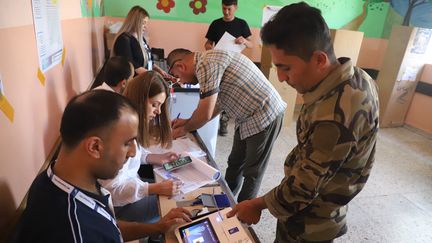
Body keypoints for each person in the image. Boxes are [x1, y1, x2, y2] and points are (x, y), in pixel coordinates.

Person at [227, 2, 380, 242]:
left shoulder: (334, 115)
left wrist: (258, 204)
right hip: (320, 208)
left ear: (319, 60)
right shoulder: (357, 77)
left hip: (310, 223)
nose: (280, 77)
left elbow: (302, 189)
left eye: (285, 67)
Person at [15, 90, 191, 242]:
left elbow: (107, 225)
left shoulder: (56, 177)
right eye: (127, 143)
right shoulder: (74, 231)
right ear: (95, 147)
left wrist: (157, 228)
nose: (132, 153)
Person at [167, 48, 286, 202]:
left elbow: (205, 113)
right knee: (235, 162)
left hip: (265, 114)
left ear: (180, 66)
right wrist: (187, 122)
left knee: (252, 172)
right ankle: (226, 202)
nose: (181, 82)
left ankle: (243, 217)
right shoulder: (207, 62)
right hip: (247, 117)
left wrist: (183, 129)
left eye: (178, 77)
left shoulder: (206, 63)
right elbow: (217, 104)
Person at [100, 71, 182, 224]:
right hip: (118, 205)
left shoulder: (129, 120)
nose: (158, 112)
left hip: (131, 187)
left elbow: (135, 151)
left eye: (160, 106)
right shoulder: (119, 129)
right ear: (140, 99)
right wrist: (152, 189)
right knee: (174, 203)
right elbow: (113, 190)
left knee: (173, 192)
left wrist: (154, 157)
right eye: (155, 105)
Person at [204, 0, 253, 136]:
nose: (226, 12)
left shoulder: (242, 23)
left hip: (235, 64)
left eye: (229, 9)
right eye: (224, 8)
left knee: (230, 92)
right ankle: (213, 119)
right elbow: (207, 43)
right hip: (218, 63)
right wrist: (209, 48)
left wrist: (244, 41)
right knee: (217, 91)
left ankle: (225, 121)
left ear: (235, 8)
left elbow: (252, 44)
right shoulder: (216, 24)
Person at [112, 6, 169, 78]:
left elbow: (149, 61)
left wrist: (160, 71)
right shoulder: (123, 39)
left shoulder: (141, 38)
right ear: (135, 22)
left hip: (145, 78)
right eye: (143, 23)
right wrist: (155, 76)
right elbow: (132, 66)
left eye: (146, 23)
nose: (146, 26)